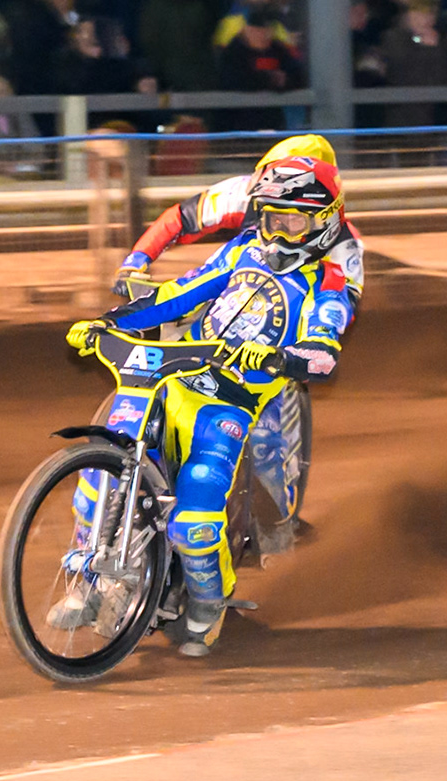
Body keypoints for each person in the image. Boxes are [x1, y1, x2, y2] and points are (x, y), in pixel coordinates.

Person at [60, 158, 356, 654]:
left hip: (233, 401)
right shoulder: (243, 252)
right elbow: (179, 294)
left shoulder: (328, 281)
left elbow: (325, 350)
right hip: (174, 374)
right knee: (99, 469)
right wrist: (107, 323)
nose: (279, 232)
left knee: (196, 519)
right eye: (271, 218)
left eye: (294, 221)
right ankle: (84, 580)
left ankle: (207, 602)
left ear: (323, 221)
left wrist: (289, 356)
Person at [114, 134, 364, 308]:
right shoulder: (243, 192)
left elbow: (344, 304)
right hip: (230, 290)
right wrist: (137, 260)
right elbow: (181, 218)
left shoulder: (343, 240)